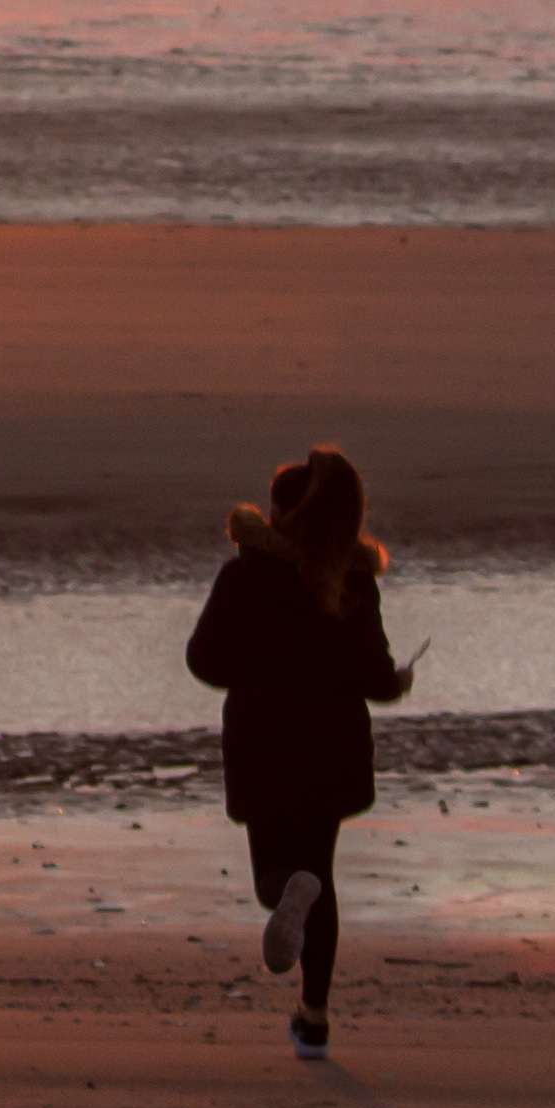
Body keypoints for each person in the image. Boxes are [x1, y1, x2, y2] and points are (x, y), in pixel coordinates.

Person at [182, 441, 411, 1054]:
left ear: (282, 513)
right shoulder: (352, 579)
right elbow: (374, 673)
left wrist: (253, 667)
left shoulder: (245, 574)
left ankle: (288, 893)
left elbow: (202, 659)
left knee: (275, 877)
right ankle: (313, 1018)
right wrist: (399, 682)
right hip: (332, 748)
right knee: (320, 874)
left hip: (262, 741)